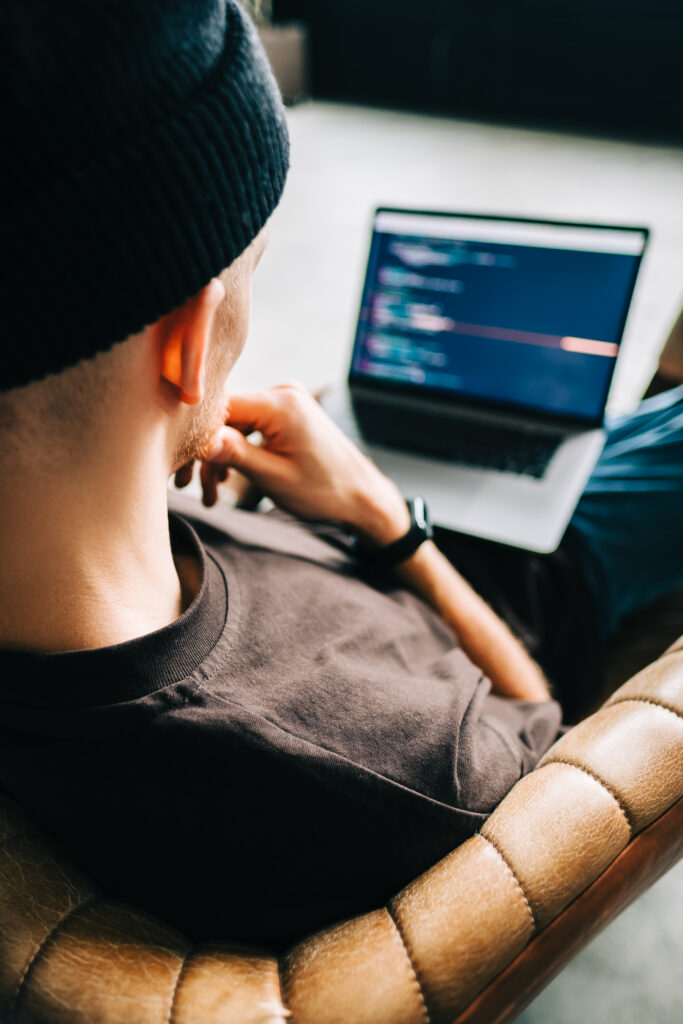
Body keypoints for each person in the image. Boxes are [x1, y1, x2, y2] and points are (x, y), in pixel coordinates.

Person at [0, 0, 682, 950]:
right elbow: (544, 720)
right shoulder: (398, 767)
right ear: (189, 345)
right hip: (535, 584)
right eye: (251, 274)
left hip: (333, 526)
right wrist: (386, 519)